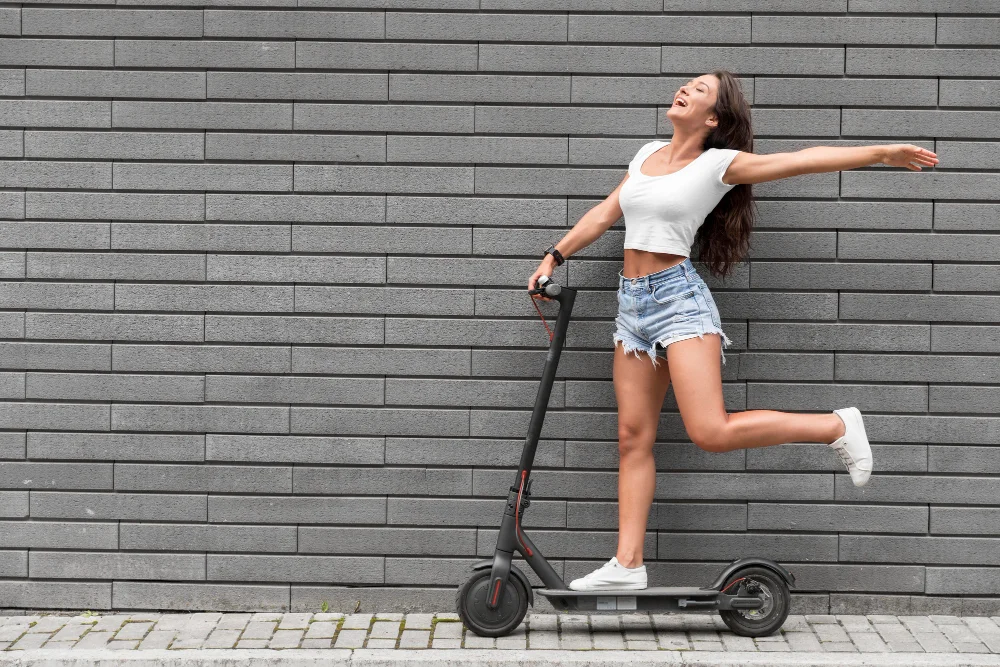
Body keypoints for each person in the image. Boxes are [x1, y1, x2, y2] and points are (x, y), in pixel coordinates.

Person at [527, 69, 939, 592]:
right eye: (687, 84)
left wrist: (880, 154)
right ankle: (627, 566)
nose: (685, 90)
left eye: (700, 91)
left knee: (711, 431)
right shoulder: (647, 154)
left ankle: (835, 426)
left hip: (679, 303)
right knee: (632, 438)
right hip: (631, 307)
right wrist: (554, 256)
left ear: (714, 118)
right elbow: (607, 212)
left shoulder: (719, 165)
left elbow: (799, 161)